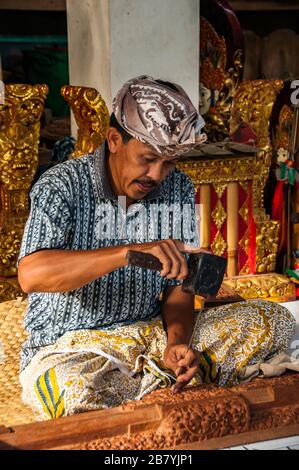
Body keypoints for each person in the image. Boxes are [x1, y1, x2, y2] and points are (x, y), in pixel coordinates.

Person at [18, 76, 295, 420]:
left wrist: (176, 342)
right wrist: (126, 252)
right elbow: (31, 274)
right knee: (71, 385)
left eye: (169, 163)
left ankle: (156, 377)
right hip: (74, 347)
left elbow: (179, 287)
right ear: (114, 139)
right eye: (147, 158)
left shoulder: (177, 187)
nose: (157, 175)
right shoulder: (62, 186)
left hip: (149, 334)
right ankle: (160, 385)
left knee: (273, 320)